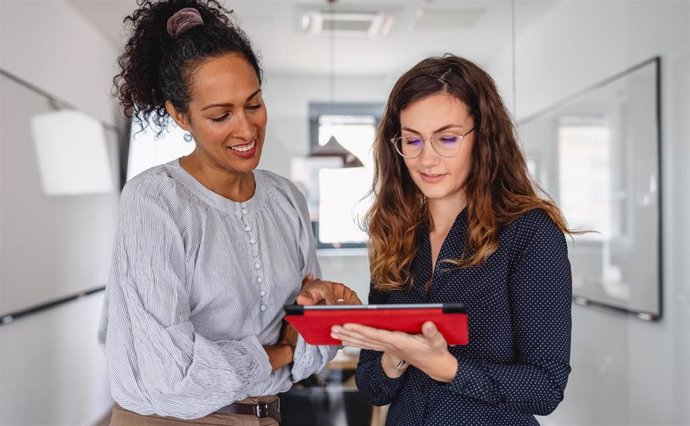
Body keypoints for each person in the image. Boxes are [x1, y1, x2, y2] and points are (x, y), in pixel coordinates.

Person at [97, 1, 360, 424]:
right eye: (220, 114)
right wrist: (283, 349)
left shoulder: (286, 198)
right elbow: (174, 377)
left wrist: (320, 313)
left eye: (254, 104)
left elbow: (317, 345)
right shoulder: (153, 201)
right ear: (180, 116)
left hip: (267, 415)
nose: (246, 128)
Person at [331, 55, 573, 425]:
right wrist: (395, 356)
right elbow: (374, 388)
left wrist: (448, 367)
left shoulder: (530, 233)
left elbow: (545, 387)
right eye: (412, 140)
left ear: (484, 137)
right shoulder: (394, 231)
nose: (427, 159)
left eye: (447, 138)